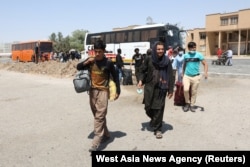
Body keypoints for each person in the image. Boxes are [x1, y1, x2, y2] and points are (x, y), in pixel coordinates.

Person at [76, 40, 120, 152]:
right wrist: (86, 62)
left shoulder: (109, 63)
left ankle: (96, 142)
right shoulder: (91, 61)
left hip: (104, 91)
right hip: (92, 91)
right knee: (97, 114)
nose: (97, 54)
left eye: (99, 51)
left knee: (100, 116)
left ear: (104, 51)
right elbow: (78, 67)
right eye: (95, 51)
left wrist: (117, 91)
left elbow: (115, 77)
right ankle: (106, 134)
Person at [137, 41, 174, 139]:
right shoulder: (149, 59)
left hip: (161, 88)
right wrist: (140, 80)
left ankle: (158, 129)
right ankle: (154, 120)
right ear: (154, 49)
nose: (160, 51)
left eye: (162, 49)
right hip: (149, 87)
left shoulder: (167, 61)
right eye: (158, 49)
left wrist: (170, 89)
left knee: (159, 109)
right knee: (148, 107)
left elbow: (170, 75)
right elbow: (142, 70)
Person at [182, 42, 208, 112]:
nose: (193, 49)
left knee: (194, 91)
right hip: (187, 76)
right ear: (188, 48)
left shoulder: (199, 55)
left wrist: (205, 73)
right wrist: (182, 73)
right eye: (191, 47)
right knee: (186, 89)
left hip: (196, 76)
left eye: (194, 47)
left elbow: (205, 64)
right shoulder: (186, 55)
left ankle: (192, 105)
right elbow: (184, 65)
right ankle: (187, 103)